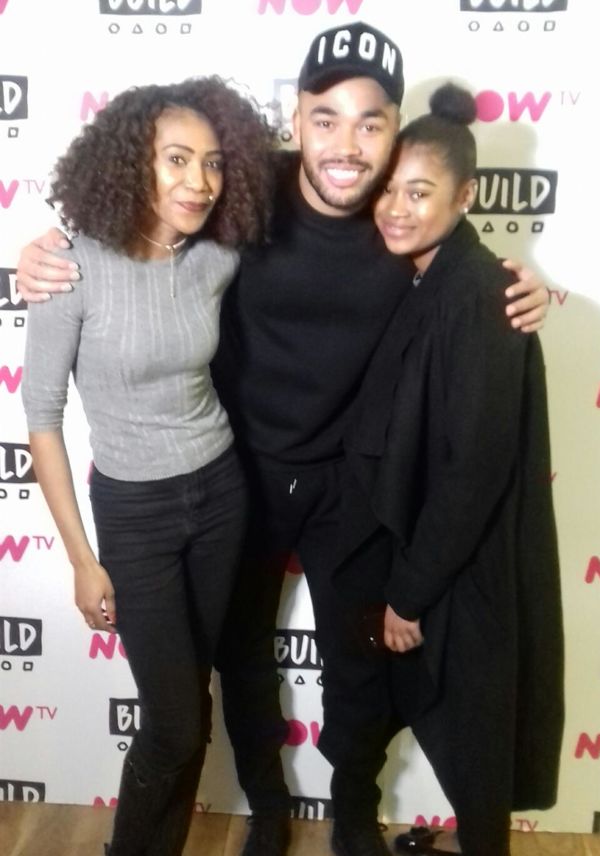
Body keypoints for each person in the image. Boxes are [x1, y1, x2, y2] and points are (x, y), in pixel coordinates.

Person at [16, 22, 550, 856]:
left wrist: (527, 282)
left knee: (358, 665)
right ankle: (267, 807)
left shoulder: (399, 218)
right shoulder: (241, 191)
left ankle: (351, 813)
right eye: (325, 118)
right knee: (242, 659)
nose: (347, 144)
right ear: (296, 118)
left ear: (394, 132)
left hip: (352, 482)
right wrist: (43, 247)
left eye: (371, 123)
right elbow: (138, 209)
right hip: (239, 473)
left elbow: (464, 262)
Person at [20, 76, 274, 856]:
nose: (200, 181)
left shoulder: (217, 254)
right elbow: (42, 418)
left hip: (222, 491)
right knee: (172, 720)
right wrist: (81, 559)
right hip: (135, 514)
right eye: (177, 159)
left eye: (214, 162)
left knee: (190, 703)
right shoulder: (68, 266)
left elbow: (328, 185)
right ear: (133, 161)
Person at [334, 82, 564, 856]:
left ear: (465, 196)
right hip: (426, 553)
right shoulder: (429, 274)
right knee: (453, 731)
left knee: (474, 740)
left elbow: (475, 468)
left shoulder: (482, 293)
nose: (395, 209)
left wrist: (410, 592)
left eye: (419, 192)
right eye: (388, 189)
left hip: (459, 570)